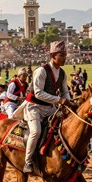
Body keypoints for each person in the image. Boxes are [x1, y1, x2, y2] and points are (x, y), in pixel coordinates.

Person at [23, 40, 70, 173]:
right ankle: (28, 162)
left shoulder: (62, 73)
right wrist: (59, 100)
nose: (64, 58)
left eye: (65, 55)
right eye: (61, 55)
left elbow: (65, 91)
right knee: (36, 131)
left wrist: (69, 101)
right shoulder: (41, 71)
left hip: (50, 108)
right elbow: (38, 93)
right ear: (53, 56)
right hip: (34, 107)